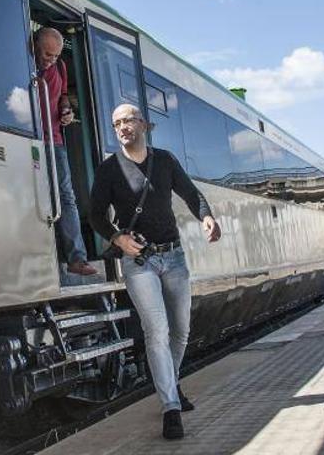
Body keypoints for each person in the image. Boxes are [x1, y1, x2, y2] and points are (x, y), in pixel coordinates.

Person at [88, 103, 221, 440]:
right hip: (138, 262)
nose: (122, 127)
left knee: (181, 329)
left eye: (128, 120)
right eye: (116, 122)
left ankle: (170, 385)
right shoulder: (109, 169)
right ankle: (170, 408)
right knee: (156, 330)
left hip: (173, 256)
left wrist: (205, 216)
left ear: (143, 125)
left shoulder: (165, 160)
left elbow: (191, 193)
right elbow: (95, 215)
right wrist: (117, 238)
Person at [33, 27, 96, 276]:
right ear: (35, 45)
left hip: (55, 140)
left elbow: (62, 97)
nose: (50, 60)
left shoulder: (59, 67)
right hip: (29, 138)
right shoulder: (24, 64)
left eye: (56, 56)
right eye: (47, 54)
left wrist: (67, 111)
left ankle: (76, 258)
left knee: (66, 197)